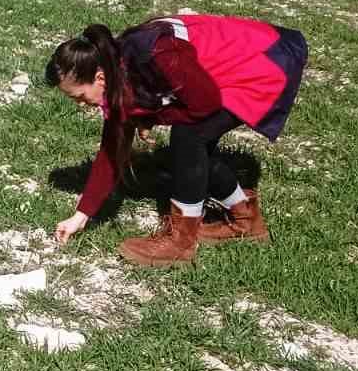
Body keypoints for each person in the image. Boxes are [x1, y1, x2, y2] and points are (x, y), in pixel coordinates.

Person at [46, 14, 307, 268]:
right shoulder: (117, 71)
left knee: (188, 134)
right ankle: (245, 219)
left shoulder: (155, 54)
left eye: (79, 96)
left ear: (99, 77)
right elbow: (112, 151)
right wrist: (81, 216)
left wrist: (148, 117)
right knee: (192, 144)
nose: (81, 105)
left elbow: (206, 103)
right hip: (247, 60)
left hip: (267, 58)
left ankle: (181, 241)